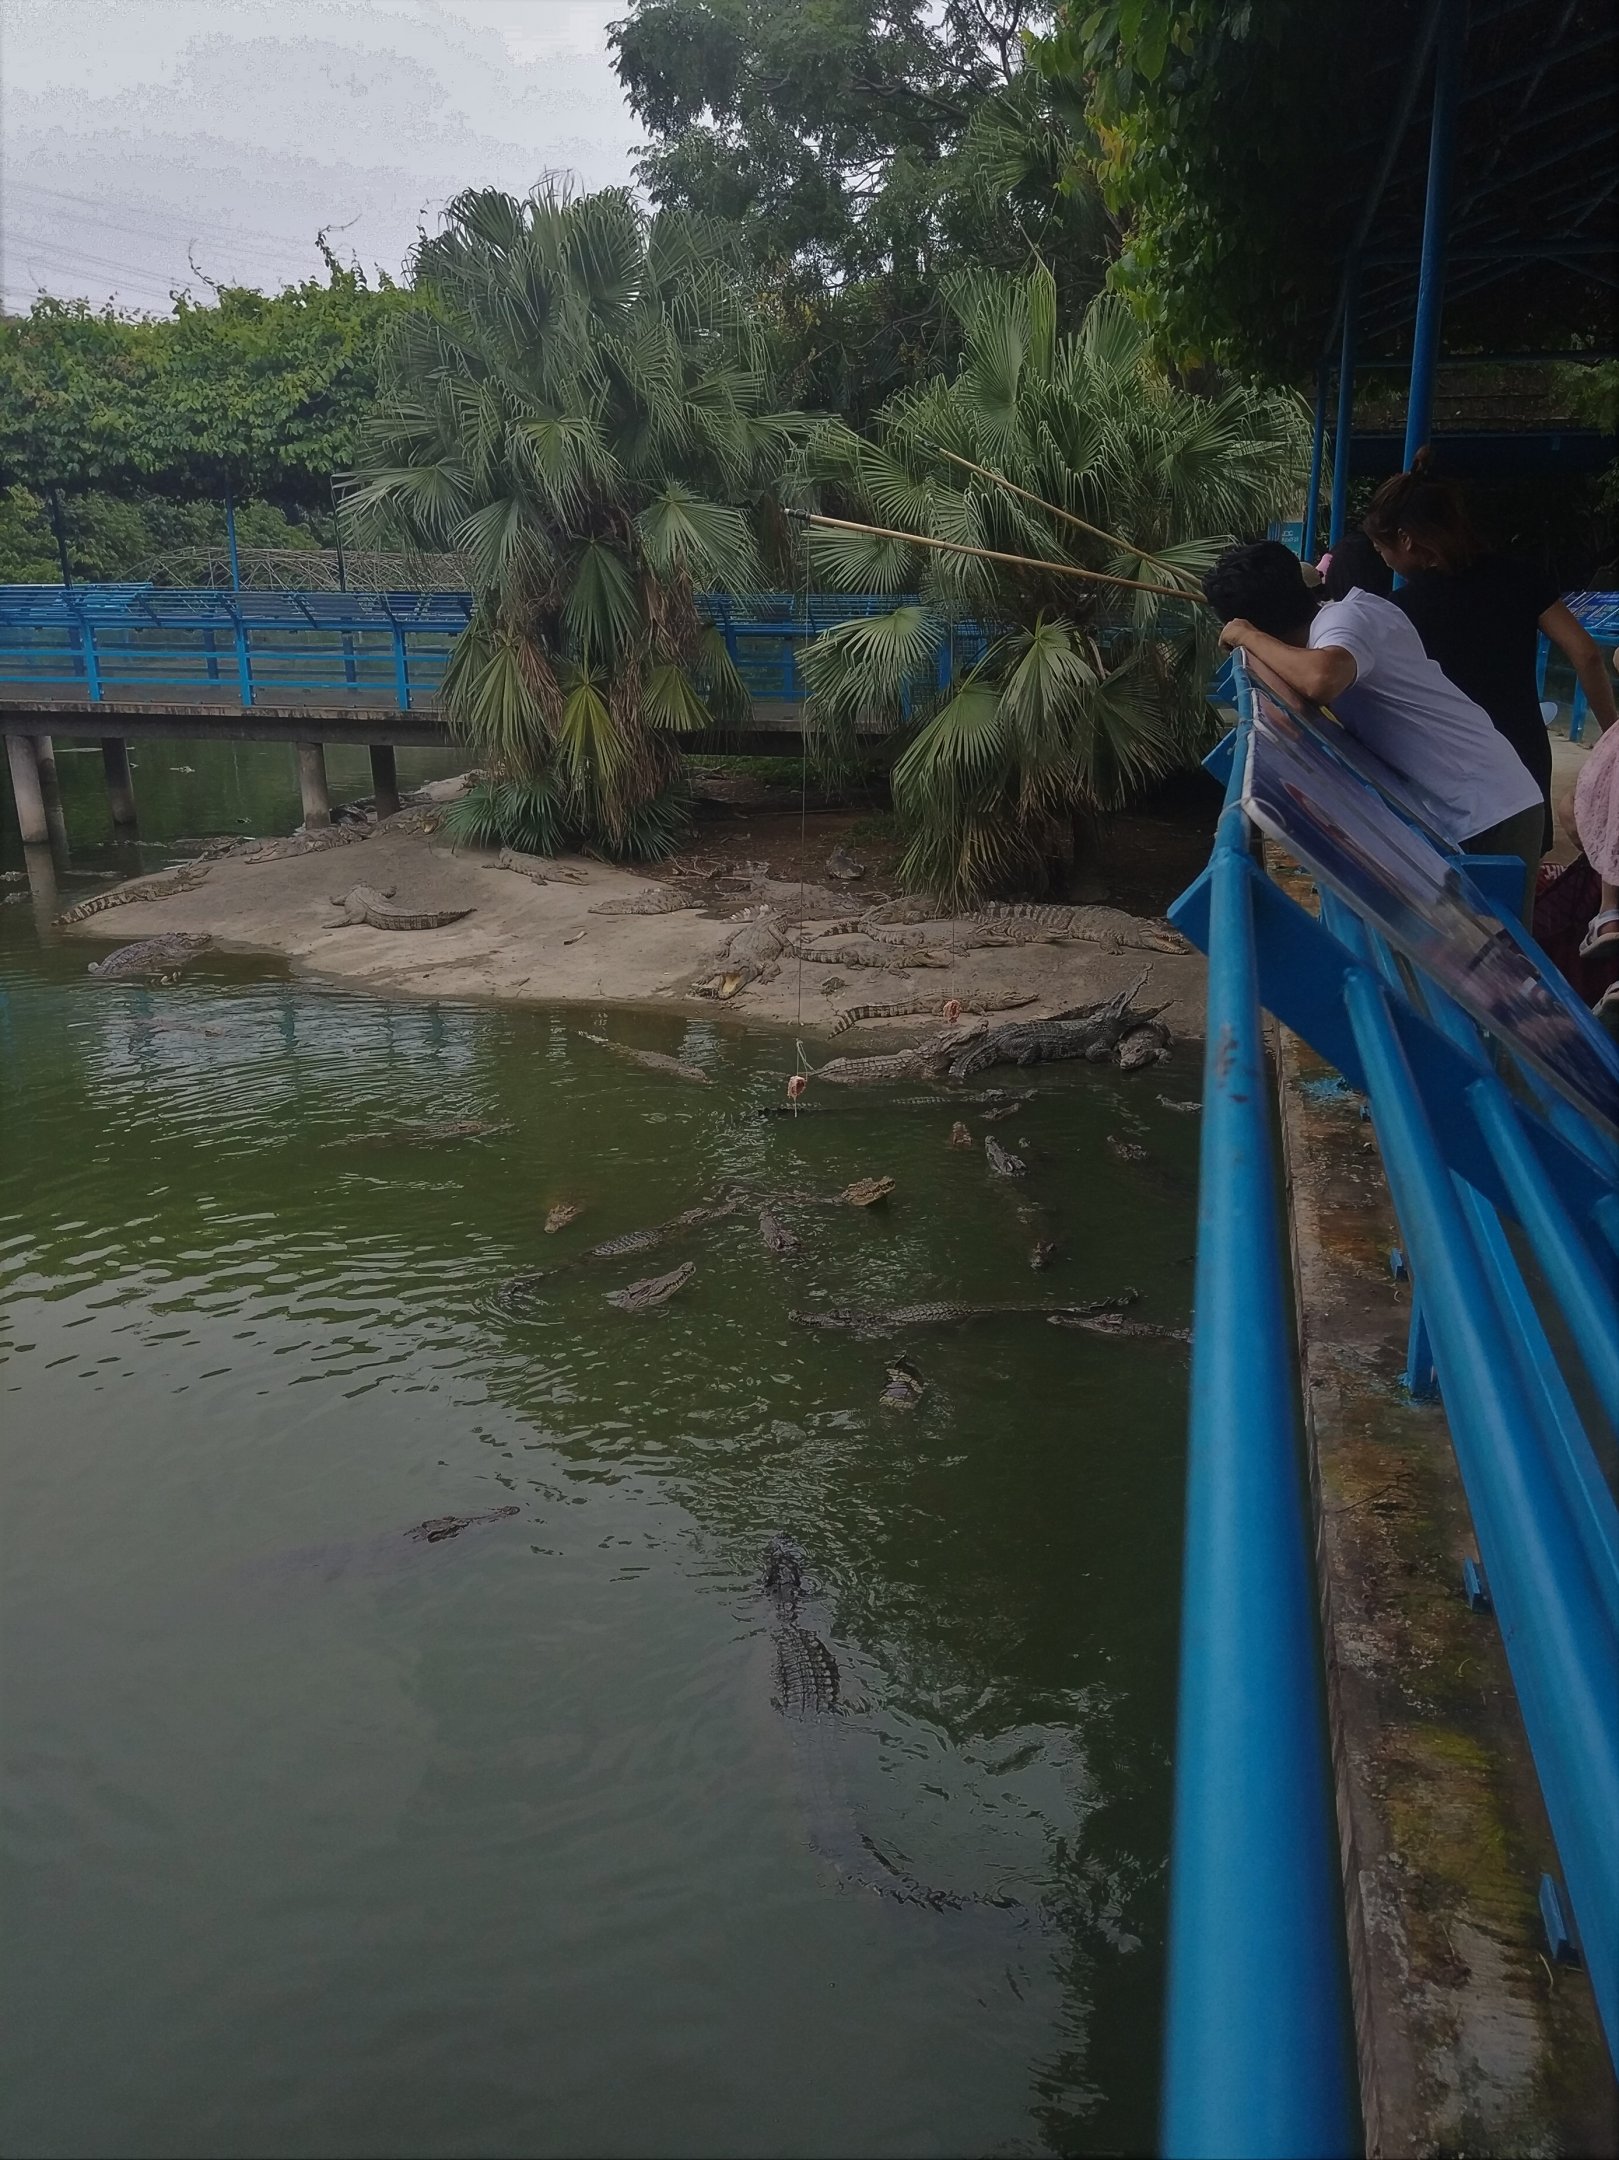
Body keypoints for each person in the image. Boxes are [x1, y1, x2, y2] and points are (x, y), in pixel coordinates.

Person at [1202, 539, 1546, 918]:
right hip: (1461, 803)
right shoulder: (1340, 618)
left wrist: (1247, 637)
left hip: (1490, 804)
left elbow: (1322, 678)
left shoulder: (1344, 621)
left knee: (1503, 956)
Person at [1363, 452, 1619, 851]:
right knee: (1517, 886)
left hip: (1447, 765)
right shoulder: (1520, 577)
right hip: (1522, 752)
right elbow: (1585, 653)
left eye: (1382, 547)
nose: (1382, 557)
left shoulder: (1402, 609)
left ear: (1408, 541)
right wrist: (1612, 738)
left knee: (1451, 895)